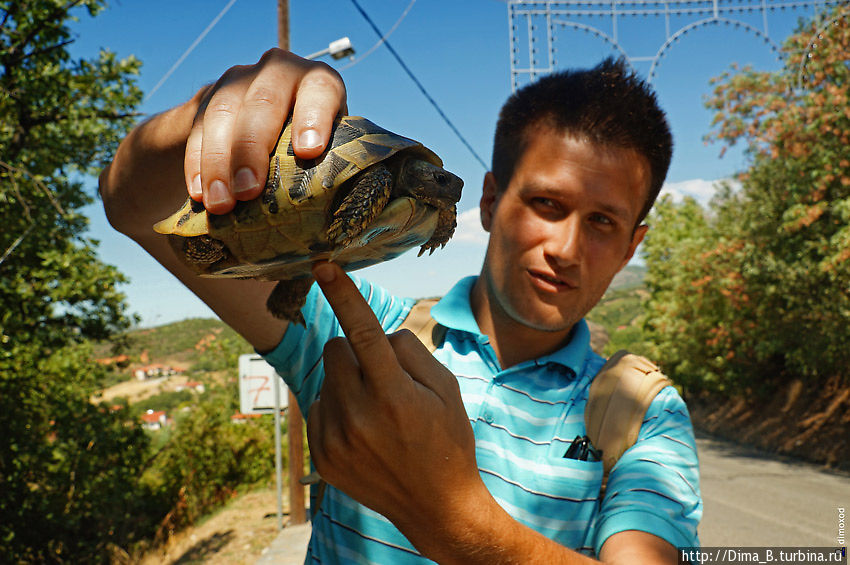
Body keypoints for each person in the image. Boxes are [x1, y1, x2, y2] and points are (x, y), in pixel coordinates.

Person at [100, 49, 701, 564]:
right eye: (546, 203)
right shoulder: (363, 332)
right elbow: (131, 206)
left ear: (633, 246)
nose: (565, 249)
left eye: (602, 222)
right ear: (490, 201)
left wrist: (450, 516)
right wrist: (204, 117)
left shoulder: (640, 413)